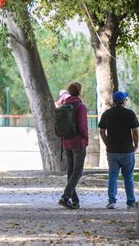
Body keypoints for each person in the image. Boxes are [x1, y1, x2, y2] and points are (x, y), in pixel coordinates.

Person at [99, 91, 139, 209]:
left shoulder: (107, 114)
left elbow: (102, 131)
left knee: (113, 175)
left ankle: (112, 201)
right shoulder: (130, 114)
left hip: (112, 151)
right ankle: (131, 202)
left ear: (114, 101)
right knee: (128, 177)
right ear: (124, 101)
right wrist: (135, 145)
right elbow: (135, 132)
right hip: (127, 150)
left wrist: (107, 143)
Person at [58, 82, 88, 210]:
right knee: (78, 171)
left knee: (71, 172)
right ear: (80, 91)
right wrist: (85, 137)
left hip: (66, 142)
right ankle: (65, 197)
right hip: (77, 142)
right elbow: (82, 126)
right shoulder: (80, 106)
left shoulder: (65, 105)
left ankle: (75, 201)